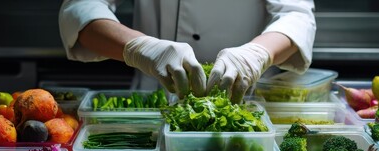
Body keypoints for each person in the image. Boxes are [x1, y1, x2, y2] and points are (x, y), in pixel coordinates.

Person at [59, 0, 315, 103]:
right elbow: (81, 8)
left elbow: (296, 15)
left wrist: (257, 54)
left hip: (247, 96)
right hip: (156, 98)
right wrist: (140, 48)